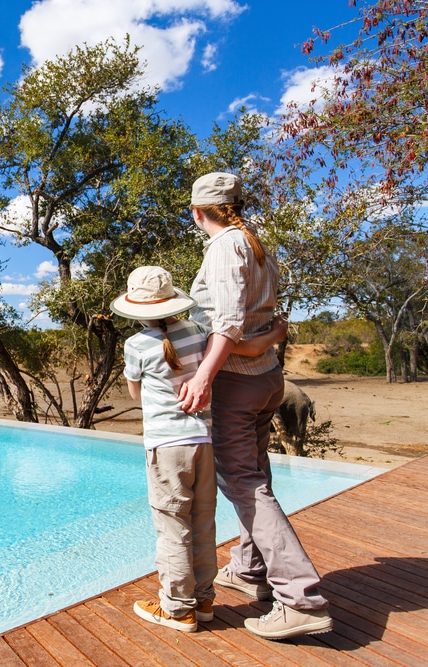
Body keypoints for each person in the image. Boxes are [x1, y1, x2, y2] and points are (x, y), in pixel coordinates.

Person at [178, 172, 333, 640]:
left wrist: (204, 376)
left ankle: (300, 599)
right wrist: (263, 342)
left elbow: (226, 323)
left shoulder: (225, 247)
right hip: (266, 377)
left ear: (197, 212)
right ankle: (248, 568)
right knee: (255, 474)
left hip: (236, 383)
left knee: (244, 484)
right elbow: (261, 323)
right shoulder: (254, 243)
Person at [112, 265, 287, 633]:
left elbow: (136, 393)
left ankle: (178, 609)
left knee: (172, 526)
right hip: (202, 441)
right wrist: (276, 332)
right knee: (203, 522)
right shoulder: (196, 330)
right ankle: (204, 601)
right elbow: (240, 348)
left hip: (166, 446)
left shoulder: (135, 345)